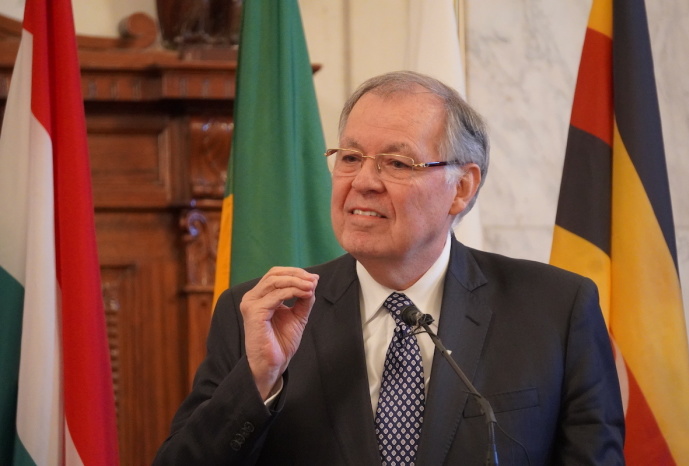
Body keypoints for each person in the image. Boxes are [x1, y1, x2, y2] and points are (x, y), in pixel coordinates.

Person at [153, 71, 625, 465]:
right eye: (351, 157)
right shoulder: (260, 312)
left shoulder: (555, 310)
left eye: (396, 163)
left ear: (461, 188)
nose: (362, 182)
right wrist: (257, 380)